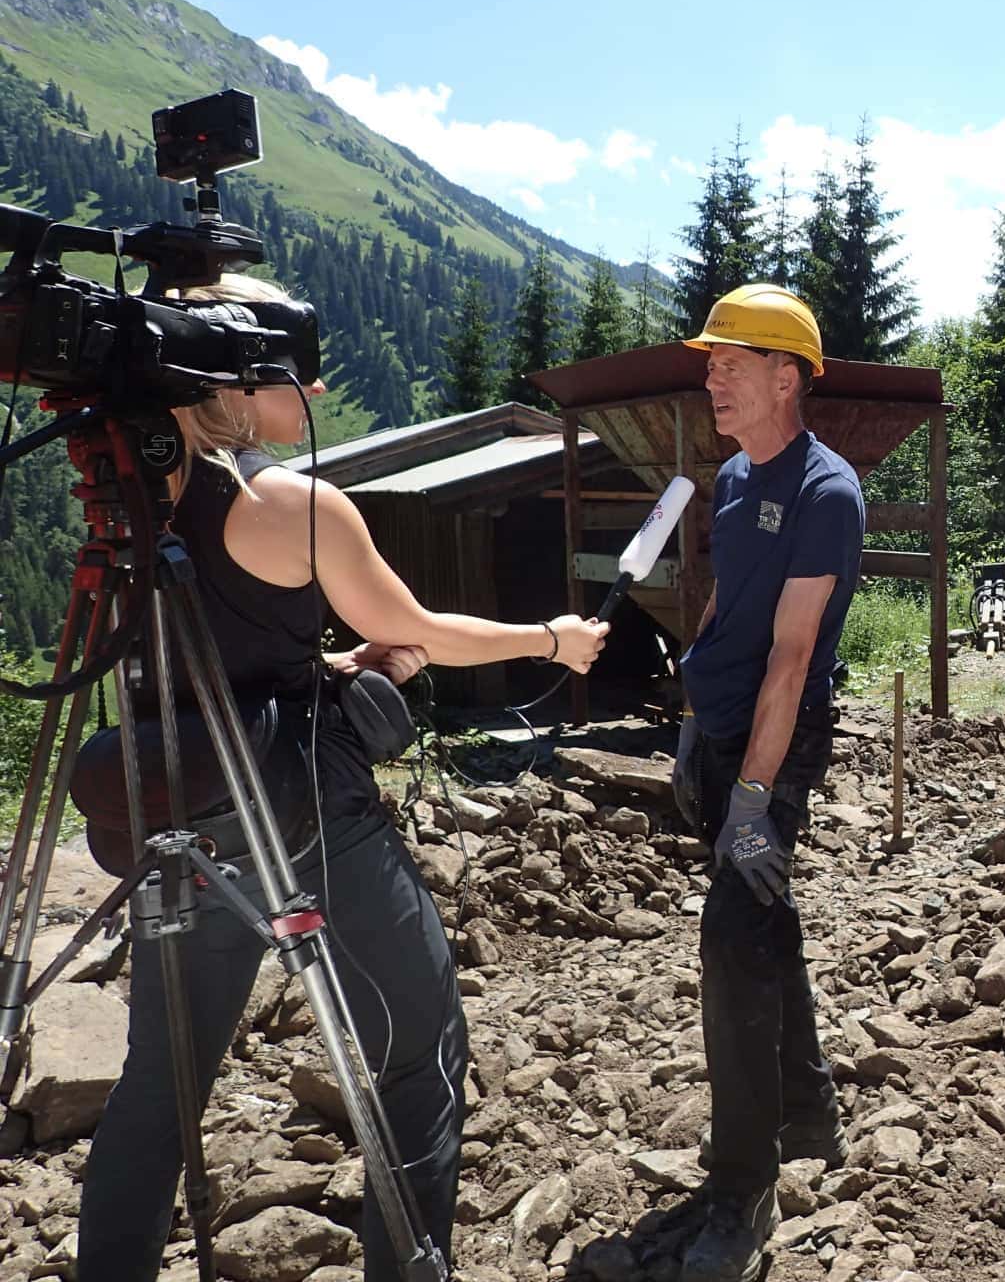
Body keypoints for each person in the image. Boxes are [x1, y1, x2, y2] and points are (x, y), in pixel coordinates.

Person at [75, 274, 610, 1282]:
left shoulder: (128, 496)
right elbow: (419, 630)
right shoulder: (290, 503)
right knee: (419, 1048)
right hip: (300, 818)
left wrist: (322, 667)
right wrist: (554, 637)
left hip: (176, 816)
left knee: (161, 1086)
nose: (315, 396)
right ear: (232, 377)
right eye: (296, 375)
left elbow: (199, 658)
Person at [669, 283, 864, 1282]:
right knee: (762, 911)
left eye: (730, 364)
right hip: (725, 730)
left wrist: (754, 799)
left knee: (731, 945)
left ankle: (742, 1189)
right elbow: (720, 613)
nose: (713, 379)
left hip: (777, 741)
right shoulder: (737, 481)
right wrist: (693, 725)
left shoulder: (827, 492)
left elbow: (793, 659)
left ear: (787, 377)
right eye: (710, 364)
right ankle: (807, 1110)